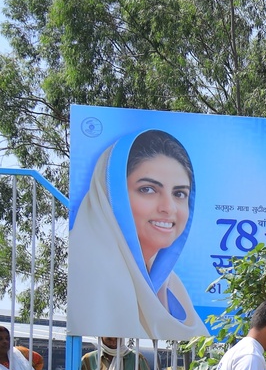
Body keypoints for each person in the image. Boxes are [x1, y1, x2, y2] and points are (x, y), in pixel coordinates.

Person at [68, 129, 209, 340]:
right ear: (112, 193)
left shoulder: (169, 285)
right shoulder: (92, 273)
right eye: (148, 189)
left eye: (179, 194)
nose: (169, 208)